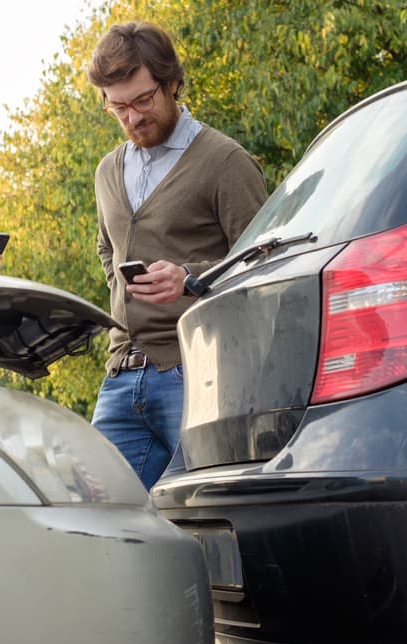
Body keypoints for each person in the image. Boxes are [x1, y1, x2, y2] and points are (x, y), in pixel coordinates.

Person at [87, 21, 268, 490]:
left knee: (204, 523)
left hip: (199, 374)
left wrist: (189, 279)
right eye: (118, 106)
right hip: (121, 375)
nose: (131, 117)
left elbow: (263, 263)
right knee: (100, 519)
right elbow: (109, 249)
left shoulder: (225, 162)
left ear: (172, 84)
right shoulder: (107, 171)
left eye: (143, 100)